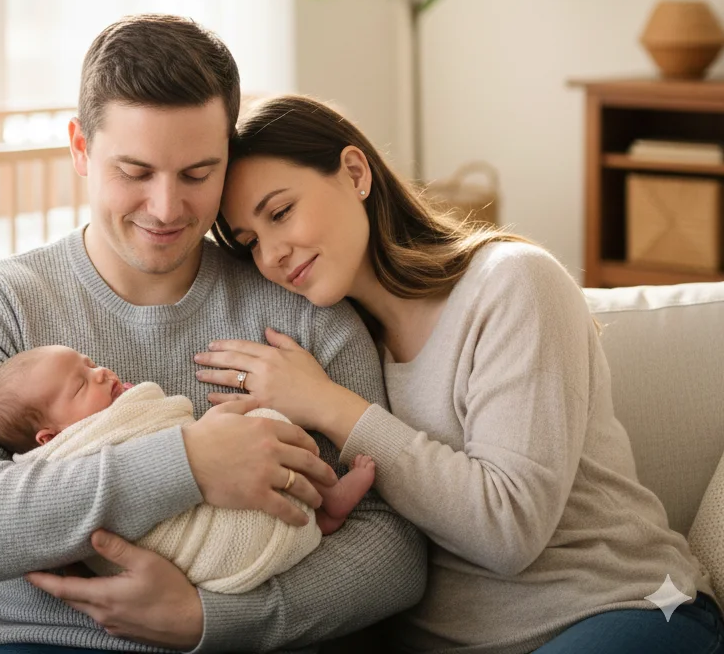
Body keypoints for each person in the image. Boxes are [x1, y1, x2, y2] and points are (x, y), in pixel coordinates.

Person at [0, 15, 426, 654]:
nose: (167, 208)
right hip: (43, 644)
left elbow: (395, 549)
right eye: (135, 171)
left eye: (198, 174)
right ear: (80, 149)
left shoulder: (302, 305)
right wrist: (190, 463)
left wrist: (214, 619)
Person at [204, 93, 723, 654]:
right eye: (250, 242)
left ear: (354, 172)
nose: (272, 254)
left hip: (618, 612)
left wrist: (329, 405)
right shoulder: (332, 345)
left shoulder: (513, 285)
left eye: (280, 212)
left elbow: (509, 529)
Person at [0, 344, 378, 594]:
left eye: (90, 364)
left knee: (261, 428)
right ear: (50, 440)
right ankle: (323, 512)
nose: (100, 372)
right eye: (81, 386)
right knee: (264, 419)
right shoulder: (67, 460)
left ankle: (323, 513)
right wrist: (189, 458)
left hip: (236, 601)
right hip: (194, 554)